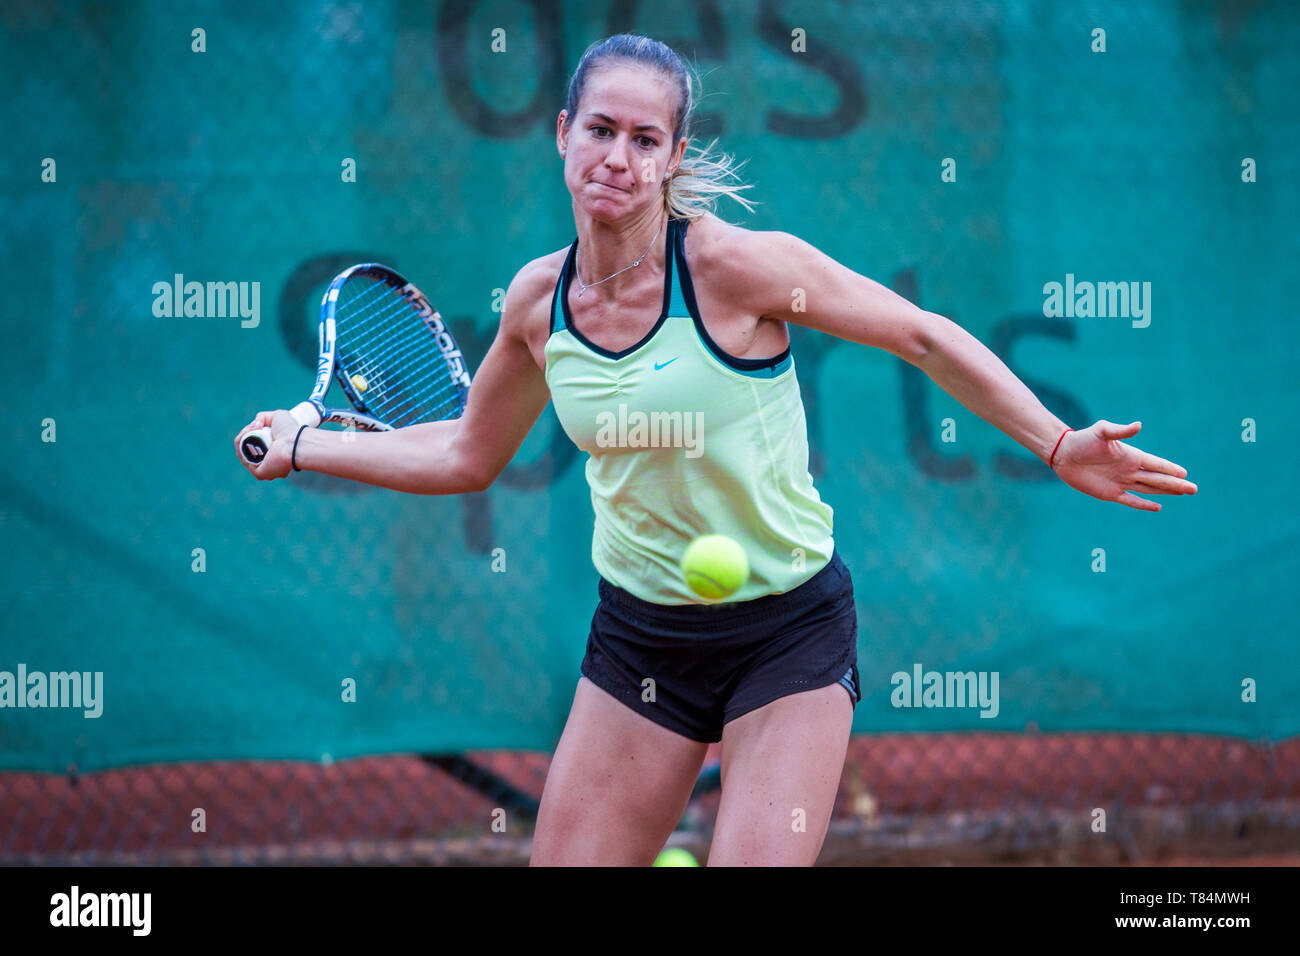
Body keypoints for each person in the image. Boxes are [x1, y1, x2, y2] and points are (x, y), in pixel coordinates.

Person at [235, 33, 1197, 866]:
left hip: (789, 634)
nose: (617, 155)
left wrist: (1058, 441)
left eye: (644, 138)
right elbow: (463, 456)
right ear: (561, 133)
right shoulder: (537, 304)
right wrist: (309, 448)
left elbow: (922, 335)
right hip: (639, 641)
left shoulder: (736, 270)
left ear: (673, 154)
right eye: (601, 130)